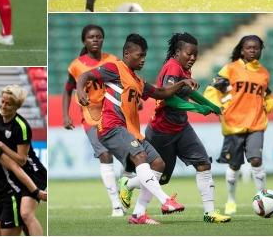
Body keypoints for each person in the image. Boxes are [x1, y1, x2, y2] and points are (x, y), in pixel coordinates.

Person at [76, 33, 190, 224]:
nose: (143, 59)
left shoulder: (138, 81)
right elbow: (85, 75)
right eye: (139, 55)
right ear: (127, 54)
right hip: (112, 127)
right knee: (140, 157)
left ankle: (138, 213)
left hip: (131, 131)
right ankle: (165, 200)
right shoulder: (115, 68)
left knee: (158, 165)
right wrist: (80, 90)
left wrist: (181, 83)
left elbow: (160, 92)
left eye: (145, 55)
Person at [120, 33, 229, 223]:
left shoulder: (184, 70)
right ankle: (128, 184)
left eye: (195, 54)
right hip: (161, 130)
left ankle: (210, 213)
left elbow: (189, 93)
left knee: (203, 163)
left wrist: (212, 107)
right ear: (178, 52)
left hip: (181, 127)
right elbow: (168, 99)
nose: (193, 58)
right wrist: (198, 108)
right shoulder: (172, 67)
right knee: (160, 178)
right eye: (189, 54)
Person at [203, 35, 273, 215]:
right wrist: (217, 107)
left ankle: (263, 197)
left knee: (256, 160)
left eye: (256, 47)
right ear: (241, 50)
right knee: (234, 166)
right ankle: (231, 200)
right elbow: (213, 89)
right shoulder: (230, 69)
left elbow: (267, 96)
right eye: (249, 47)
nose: (253, 50)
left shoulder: (264, 73)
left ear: (260, 50)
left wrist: (269, 104)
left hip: (256, 123)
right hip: (233, 124)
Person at [61, 24, 123, 216]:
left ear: (103, 39)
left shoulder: (113, 60)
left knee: (129, 159)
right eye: (90, 37)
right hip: (91, 116)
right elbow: (67, 89)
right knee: (105, 155)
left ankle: (124, 186)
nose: (95, 40)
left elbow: (125, 83)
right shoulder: (76, 65)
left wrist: (134, 101)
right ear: (84, 41)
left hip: (114, 113)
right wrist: (65, 114)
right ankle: (116, 206)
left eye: (98, 37)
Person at [0, 85, 47, 235]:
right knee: (19, 215)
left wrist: (0, 144)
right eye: (2, 102)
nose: (3, 106)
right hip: (17, 175)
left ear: (16, 106)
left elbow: (22, 160)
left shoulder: (22, 126)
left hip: (33, 173)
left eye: (8, 104)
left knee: (26, 213)